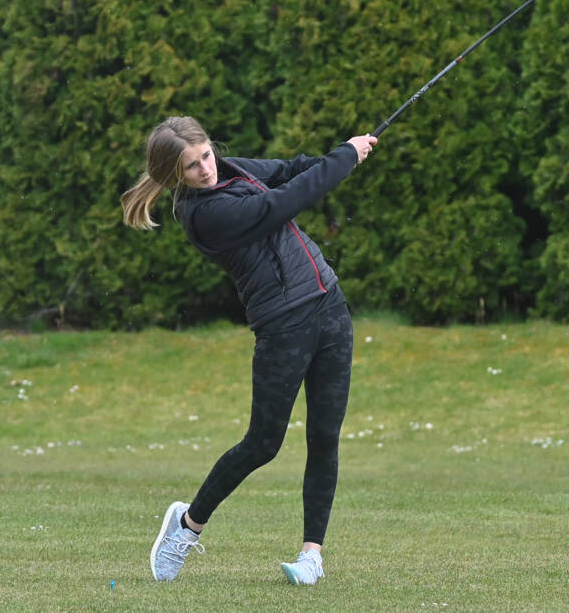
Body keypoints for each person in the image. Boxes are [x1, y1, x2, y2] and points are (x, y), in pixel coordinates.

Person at [120, 116, 377, 585]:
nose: (205, 169)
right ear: (174, 175)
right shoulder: (203, 215)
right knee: (263, 443)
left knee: (325, 436)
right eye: (192, 166)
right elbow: (283, 202)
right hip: (283, 325)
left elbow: (286, 170)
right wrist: (345, 159)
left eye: (205, 155)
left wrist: (340, 152)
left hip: (330, 306)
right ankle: (187, 524)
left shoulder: (230, 167)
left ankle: (311, 556)